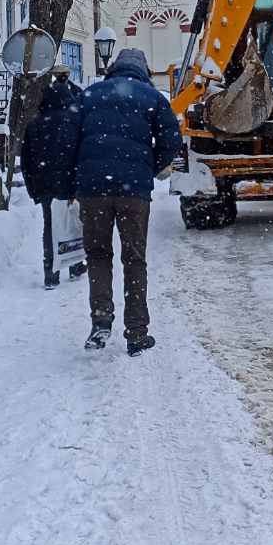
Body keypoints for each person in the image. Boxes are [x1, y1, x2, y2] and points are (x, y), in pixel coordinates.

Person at [72, 47, 182, 355]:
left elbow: (70, 139)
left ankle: (101, 321)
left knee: (97, 254)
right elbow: (172, 140)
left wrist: (77, 177)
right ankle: (136, 333)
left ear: (113, 68)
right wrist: (148, 166)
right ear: (143, 71)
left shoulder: (90, 95)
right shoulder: (152, 98)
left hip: (93, 191)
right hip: (133, 191)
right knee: (134, 258)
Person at [20, 65, 86, 290]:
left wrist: (32, 188)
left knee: (50, 226)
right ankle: (76, 265)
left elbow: (26, 159)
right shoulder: (74, 122)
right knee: (73, 223)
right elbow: (80, 154)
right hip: (69, 182)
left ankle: (51, 273)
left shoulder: (35, 124)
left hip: (45, 184)